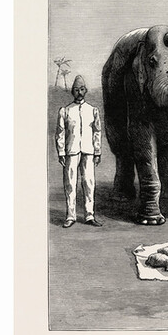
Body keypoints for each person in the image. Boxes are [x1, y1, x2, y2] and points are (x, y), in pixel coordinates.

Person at [56, 75, 103, 227]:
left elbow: (97, 131)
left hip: (88, 151)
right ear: (72, 92)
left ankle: (90, 216)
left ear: (86, 91)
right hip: (71, 151)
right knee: (70, 184)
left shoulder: (93, 110)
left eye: (82, 89)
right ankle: (71, 216)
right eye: (76, 90)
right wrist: (61, 152)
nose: (79, 92)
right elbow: (60, 133)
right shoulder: (65, 111)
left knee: (89, 183)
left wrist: (97, 151)